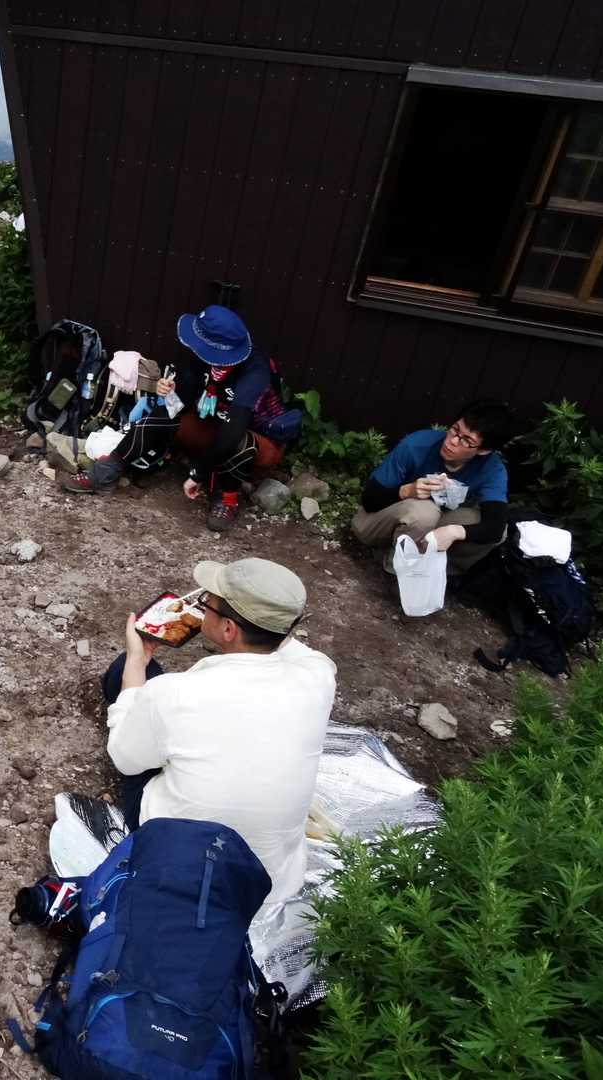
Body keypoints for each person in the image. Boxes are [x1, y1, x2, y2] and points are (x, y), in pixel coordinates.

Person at [102, 558, 334, 908]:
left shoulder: (173, 693)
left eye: (206, 602)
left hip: (184, 866)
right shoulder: (318, 678)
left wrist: (136, 661)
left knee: (126, 679)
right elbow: (304, 654)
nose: (200, 605)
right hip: (272, 881)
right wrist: (270, 620)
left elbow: (124, 758)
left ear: (228, 629)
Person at [61, 305, 294, 532]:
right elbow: (182, 401)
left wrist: (198, 473)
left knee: (240, 443)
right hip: (216, 425)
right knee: (162, 416)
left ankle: (226, 498)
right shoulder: (205, 358)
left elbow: (233, 430)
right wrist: (169, 391)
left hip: (260, 441)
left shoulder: (255, 371)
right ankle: (105, 473)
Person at [351, 399, 517, 576]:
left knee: (498, 531)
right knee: (425, 511)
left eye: (466, 440)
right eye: (455, 430)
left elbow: (494, 527)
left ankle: (431, 569)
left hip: (429, 528)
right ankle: (397, 571)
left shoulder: (492, 469)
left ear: (484, 450)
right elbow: (369, 500)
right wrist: (407, 491)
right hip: (375, 522)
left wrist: (453, 531)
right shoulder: (417, 445)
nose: (452, 441)